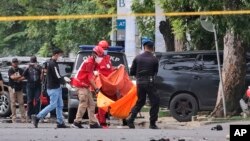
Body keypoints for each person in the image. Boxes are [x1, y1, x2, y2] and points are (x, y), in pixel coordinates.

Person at [126, 38, 160, 129]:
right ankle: (152, 123)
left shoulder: (137, 58)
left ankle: (130, 119)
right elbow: (155, 73)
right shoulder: (154, 59)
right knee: (155, 101)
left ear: (144, 47)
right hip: (149, 82)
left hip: (139, 83)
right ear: (152, 48)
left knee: (140, 102)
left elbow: (132, 72)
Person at [32, 48, 69, 128]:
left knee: (60, 105)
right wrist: (65, 82)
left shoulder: (52, 63)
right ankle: (37, 117)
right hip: (53, 88)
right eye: (60, 55)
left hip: (56, 87)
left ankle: (60, 122)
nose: (61, 57)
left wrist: (64, 79)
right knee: (53, 105)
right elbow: (57, 76)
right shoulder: (52, 63)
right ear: (56, 55)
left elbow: (58, 75)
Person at [70, 46, 102, 129]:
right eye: (99, 56)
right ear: (94, 54)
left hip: (85, 85)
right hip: (80, 85)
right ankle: (76, 122)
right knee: (83, 103)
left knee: (91, 104)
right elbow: (90, 78)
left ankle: (93, 123)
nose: (100, 58)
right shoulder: (89, 62)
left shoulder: (93, 62)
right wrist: (96, 88)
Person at [96, 40, 124, 127]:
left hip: (109, 84)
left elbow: (110, 69)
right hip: (101, 84)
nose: (105, 50)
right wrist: (95, 73)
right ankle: (102, 121)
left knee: (112, 101)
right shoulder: (96, 59)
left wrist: (117, 68)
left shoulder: (107, 58)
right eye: (104, 48)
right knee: (103, 103)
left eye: (106, 48)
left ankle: (100, 117)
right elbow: (92, 70)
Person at [22, 56, 42, 122]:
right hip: (29, 85)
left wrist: (36, 66)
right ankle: (29, 115)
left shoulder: (38, 67)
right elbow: (23, 74)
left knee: (37, 100)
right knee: (29, 100)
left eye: (34, 62)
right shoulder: (28, 68)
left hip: (37, 85)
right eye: (32, 62)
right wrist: (28, 67)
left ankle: (37, 114)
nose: (33, 63)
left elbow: (41, 72)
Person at [8, 58, 26, 123]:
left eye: (16, 62)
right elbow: (12, 77)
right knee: (13, 103)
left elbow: (25, 76)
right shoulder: (10, 70)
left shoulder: (20, 69)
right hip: (12, 87)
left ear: (18, 63)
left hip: (19, 88)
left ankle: (23, 117)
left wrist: (19, 78)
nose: (15, 63)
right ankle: (14, 116)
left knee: (21, 102)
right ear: (12, 63)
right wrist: (19, 76)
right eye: (14, 62)